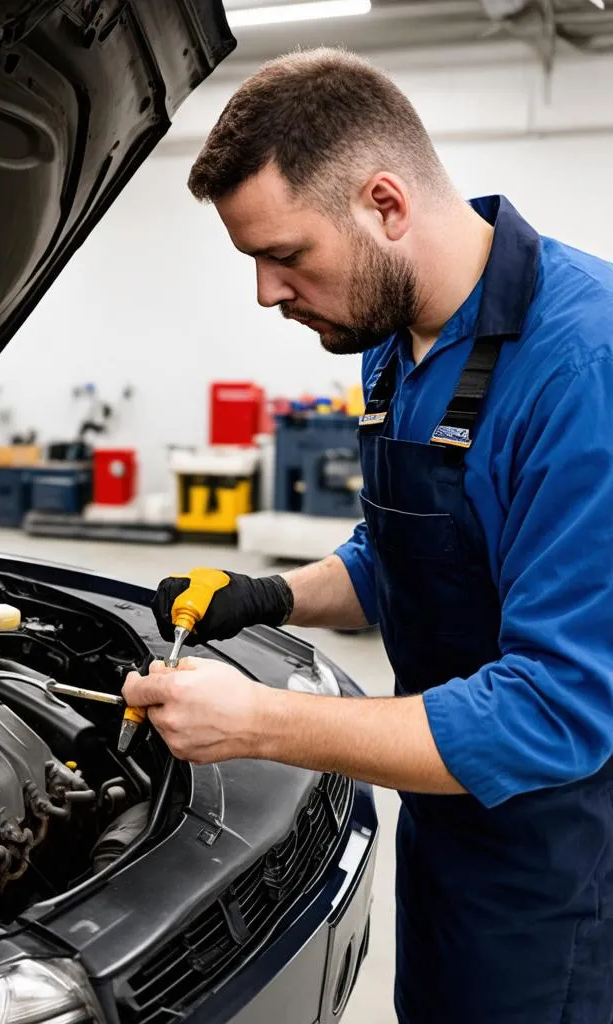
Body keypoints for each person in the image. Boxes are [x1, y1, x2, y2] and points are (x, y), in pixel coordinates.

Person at [122, 47, 613, 1024]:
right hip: (440, 822)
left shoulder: (582, 372)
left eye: (285, 255)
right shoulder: (391, 342)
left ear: (385, 205)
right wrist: (265, 595)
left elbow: (555, 708)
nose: (265, 293)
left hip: (556, 868)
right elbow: (410, 554)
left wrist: (259, 721)